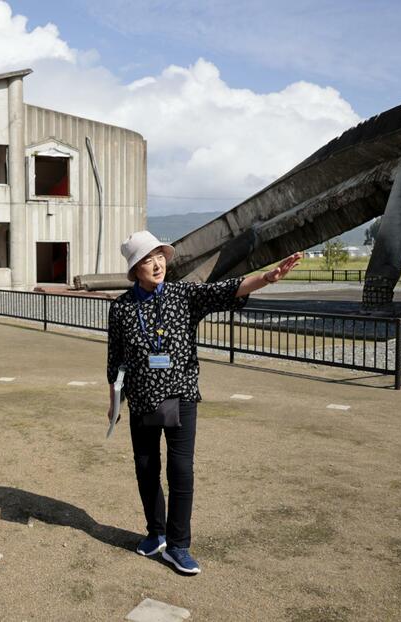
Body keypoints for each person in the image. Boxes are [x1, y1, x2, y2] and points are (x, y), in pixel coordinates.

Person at [106, 230, 300, 575]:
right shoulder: (121, 309)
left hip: (181, 396)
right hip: (142, 400)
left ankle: (179, 546)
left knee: (181, 471)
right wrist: (114, 402)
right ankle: (156, 533)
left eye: (160, 256)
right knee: (146, 470)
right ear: (135, 268)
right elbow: (115, 360)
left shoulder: (183, 295)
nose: (157, 263)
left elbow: (226, 291)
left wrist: (267, 278)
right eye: (148, 259)